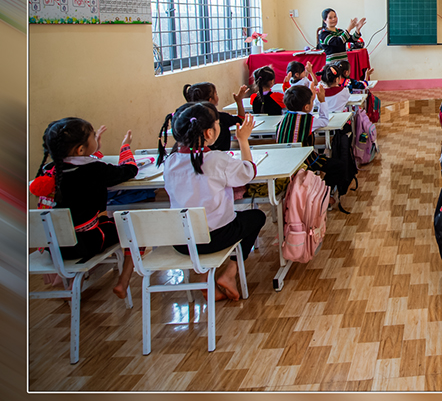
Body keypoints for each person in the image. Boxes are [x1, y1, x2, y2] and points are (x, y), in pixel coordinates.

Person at [158, 101, 266, 301]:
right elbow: (247, 172)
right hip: (214, 237)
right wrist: (243, 140)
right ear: (209, 133)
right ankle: (229, 273)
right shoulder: (216, 160)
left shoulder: (170, 161)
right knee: (256, 217)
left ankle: (204, 279)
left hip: (182, 241)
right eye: (217, 124)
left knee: (204, 218)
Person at [29, 117, 137, 299]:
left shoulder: (49, 170)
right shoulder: (95, 170)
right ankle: (123, 281)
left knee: (102, 223)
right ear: (80, 149)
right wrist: (125, 147)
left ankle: (75, 279)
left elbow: (80, 164)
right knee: (134, 227)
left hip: (53, 246)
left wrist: (92, 151)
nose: (96, 138)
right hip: (85, 243)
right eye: (93, 136)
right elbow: (129, 170)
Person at [183, 82, 250, 151]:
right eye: (216, 94)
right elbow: (241, 120)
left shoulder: (185, 120)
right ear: (210, 100)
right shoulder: (222, 118)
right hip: (222, 155)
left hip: (194, 155)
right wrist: (239, 101)